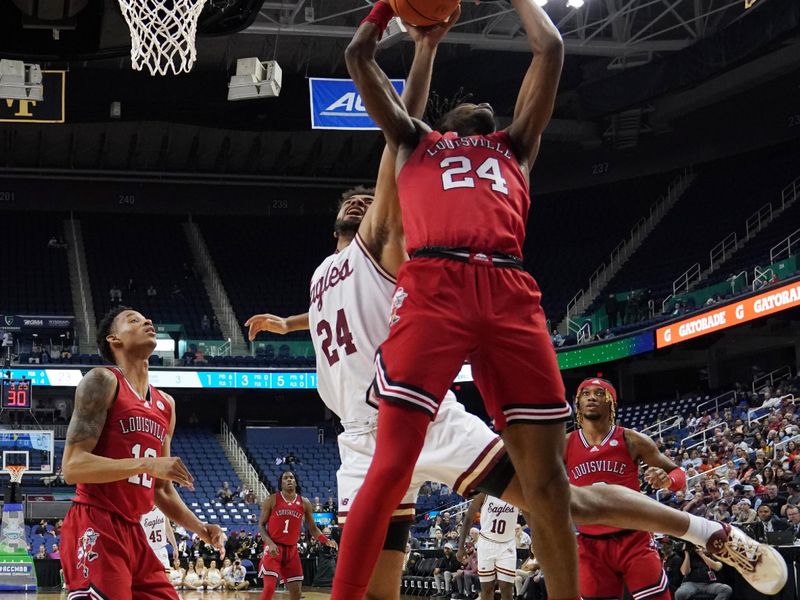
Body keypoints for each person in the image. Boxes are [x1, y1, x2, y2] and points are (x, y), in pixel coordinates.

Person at [245, 26, 786, 600]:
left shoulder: (382, 242)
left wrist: (424, 48)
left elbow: (395, 138)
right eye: (348, 203)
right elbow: (344, 317)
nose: (361, 201)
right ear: (333, 227)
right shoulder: (320, 279)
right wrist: (286, 324)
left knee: (560, 496)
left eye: (367, 199)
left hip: (423, 415)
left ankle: (711, 532)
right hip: (357, 439)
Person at [334, 0, 577, 595]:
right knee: (390, 469)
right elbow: (356, 56)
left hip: (508, 286)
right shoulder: (415, 140)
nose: (484, 109)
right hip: (434, 283)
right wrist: (389, 8)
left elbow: (551, 50)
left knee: (547, 483)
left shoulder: (516, 144)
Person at [59, 306, 225, 599]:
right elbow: (72, 467)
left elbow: (161, 490)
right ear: (114, 339)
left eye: (146, 318)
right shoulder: (102, 381)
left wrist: (199, 528)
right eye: (133, 320)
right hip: (95, 520)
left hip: (134, 530)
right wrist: (147, 465)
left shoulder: (166, 405)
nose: (147, 321)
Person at [565, 377, 678, 600]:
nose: (591, 397)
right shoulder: (565, 443)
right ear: (577, 402)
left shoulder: (631, 439)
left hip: (633, 537)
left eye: (599, 393)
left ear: (611, 402)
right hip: (589, 544)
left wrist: (669, 481)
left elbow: (677, 472)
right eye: (585, 394)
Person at [257, 470, 337, 600]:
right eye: (285, 478)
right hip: (274, 548)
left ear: (295, 481)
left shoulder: (304, 502)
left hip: (292, 550)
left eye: (291, 477)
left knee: (296, 593)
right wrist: (270, 543)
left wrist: (325, 540)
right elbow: (261, 525)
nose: (289, 480)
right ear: (281, 483)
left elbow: (312, 528)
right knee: (269, 589)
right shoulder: (272, 499)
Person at [458, 494, 518, 600]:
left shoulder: (518, 493)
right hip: (486, 545)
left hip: (507, 545)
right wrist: (460, 546)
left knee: (507, 589)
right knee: (487, 589)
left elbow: (531, 515)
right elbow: (468, 518)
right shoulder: (484, 494)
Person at [141, 505, 179, 570]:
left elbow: (168, 529)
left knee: (166, 578)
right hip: (148, 551)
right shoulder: (140, 512)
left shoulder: (163, 509)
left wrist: (175, 547)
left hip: (161, 549)